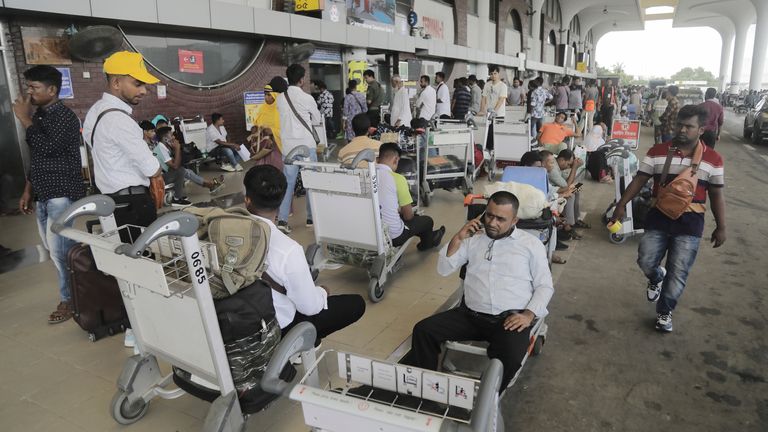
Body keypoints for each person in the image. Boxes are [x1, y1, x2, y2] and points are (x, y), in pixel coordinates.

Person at [404, 191, 554, 392]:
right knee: (423, 331)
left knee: (509, 356)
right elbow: (444, 269)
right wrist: (458, 238)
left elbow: (545, 286)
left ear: (514, 220)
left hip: (509, 320)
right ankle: (428, 389)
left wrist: (528, 315)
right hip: (470, 315)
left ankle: (486, 399)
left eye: (501, 219)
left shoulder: (530, 245)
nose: (492, 222)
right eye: (489, 215)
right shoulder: (473, 239)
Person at [611, 105, 726, 332]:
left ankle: (665, 311)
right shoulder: (658, 151)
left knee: (679, 271)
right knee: (645, 259)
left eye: (689, 127)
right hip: (658, 217)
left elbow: (716, 193)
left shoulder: (713, 159)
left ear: (701, 129)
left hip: (691, 223)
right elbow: (640, 179)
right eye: (679, 125)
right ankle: (655, 276)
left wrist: (721, 226)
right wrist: (621, 204)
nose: (682, 130)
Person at [82, 51, 162, 349]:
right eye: (138, 83)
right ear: (116, 83)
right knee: (143, 267)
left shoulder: (94, 113)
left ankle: (133, 326)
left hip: (111, 203)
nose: (144, 91)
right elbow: (152, 168)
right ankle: (143, 332)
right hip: (133, 204)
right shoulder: (120, 122)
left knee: (125, 267)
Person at [242, 164, 366, 346]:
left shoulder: (222, 233)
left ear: (247, 200)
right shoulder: (287, 249)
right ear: (283, 199)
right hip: (276, 327)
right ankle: (303, 342)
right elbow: (309, 307)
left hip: (236, 320)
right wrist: (322, 292)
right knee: (355, 304)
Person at [13, 65, 84, 324]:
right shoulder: (40, 116)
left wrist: (24, 118)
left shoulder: (64, 117)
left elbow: (48, 147)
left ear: (52, 90)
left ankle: (70, 300)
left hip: (61, 194)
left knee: (61, 251)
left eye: (35, 87)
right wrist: (27, 190)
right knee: (55, 251)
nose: (29, 92)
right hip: (44, 193)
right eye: (28, 87)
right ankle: (73, 294)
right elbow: (39, 157)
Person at [277, 63, 322, 233]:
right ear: (302, 79)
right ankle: (311, 217)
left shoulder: (280, 98)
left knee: (288, 183)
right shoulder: (307, 98)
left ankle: (282, 220)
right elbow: (317, 120)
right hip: (306, 146)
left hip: (288, 147)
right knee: (311, 181)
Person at [376, 143, 445, 250]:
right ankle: (426, 244)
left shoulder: (366, 175)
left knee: (411, 218)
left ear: (377, 159)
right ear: (395, 160)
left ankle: (431, 236)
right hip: (393, 237)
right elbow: (408, 216)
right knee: (427, 221)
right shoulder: (397, 179)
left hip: (373, 234)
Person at [153, 126, 223, 200]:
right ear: (165, 139)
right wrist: (177, 149)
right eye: (171, 135)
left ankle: (210, 184)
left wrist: (175, 149)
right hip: (161, 178)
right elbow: (175, 166)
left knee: (186, 171)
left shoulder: (164, 147)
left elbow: (178, 163)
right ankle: (210, 184)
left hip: (167, 173)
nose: (173, 137)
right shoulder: (161, 149)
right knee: (183, 171)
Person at [546, 150, 587, 239]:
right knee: (570, 196)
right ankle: (568, 225)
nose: (568, 167)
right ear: (561, 160)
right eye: (568, 164)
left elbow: (567, 181)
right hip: (552, 192)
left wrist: (575, 166)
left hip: (555, 189)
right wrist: (574, 168)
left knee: (577, 188)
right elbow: (566, 185)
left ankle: (576, 220)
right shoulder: (552, 169)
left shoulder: (558, 166)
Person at [253, 78, 288, 157]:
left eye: (269, 95)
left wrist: (272, 131)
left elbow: (288, 130)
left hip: (278, 149)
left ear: (276, 95)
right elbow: (257, 123)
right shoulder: (263, 107)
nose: (266, 97)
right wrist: (256, 128)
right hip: (264, 148)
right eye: (265, 94)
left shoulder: (282, 109)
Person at [479, 66, 508, 151]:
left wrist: (494, 111)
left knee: (495, 134)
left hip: (499, 114)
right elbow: (483, 98)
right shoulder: (487, 84)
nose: (493, 75)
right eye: (491, 74)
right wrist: (482, 110)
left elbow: (501, 100)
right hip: (487, 114)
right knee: (487, 134)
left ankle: (495, 152)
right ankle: (487, 152)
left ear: (498, 74)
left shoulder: (503, 86)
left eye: (495, 73)